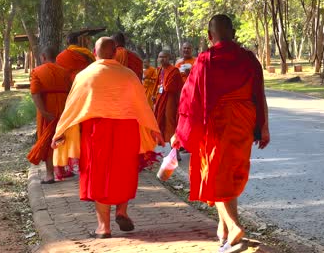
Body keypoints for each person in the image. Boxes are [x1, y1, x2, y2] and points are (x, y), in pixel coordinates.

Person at [171, 14, 270, 252]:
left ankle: (234, 227)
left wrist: (180, 132)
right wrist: (264, 127)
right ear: (233, 33)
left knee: (216, 174)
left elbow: (189, 100)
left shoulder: (206, 59)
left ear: (209, 36)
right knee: (229, 173)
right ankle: (223, 228)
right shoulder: (248, 58)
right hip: (244, 121)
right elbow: (259, 93)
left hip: (216, 124)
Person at [51, 37, 164, 238]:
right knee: (124, 170)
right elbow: (142, 106)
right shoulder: (128, 75)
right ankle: (121, 211)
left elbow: (72, 107)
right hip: (127, 129)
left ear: (94, 53)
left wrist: (59, 131)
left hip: (96, 130)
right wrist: (155, 130)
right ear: (115, 53)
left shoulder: (85, 76)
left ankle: (104, 227)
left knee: (98, 174)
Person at [27, 46, 73, 184]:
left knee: (47, 140)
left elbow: (35, 93)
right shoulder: (65, 72)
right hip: (64, 107)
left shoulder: (37, 71)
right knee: (62, 138)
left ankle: (49, 174)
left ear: (43, 57)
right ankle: (62, 169)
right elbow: (71, 91)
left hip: (48, 107)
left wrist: (44, 112)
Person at [153, 50, 183, 157]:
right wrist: (154, 95)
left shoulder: (174, 70)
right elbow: (158, 84)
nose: (162, 59)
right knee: (162, 123)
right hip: (161, 99)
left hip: (171, 100)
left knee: (171, 124)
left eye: (164, 57)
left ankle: (176, 151)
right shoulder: (160, 69)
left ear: (169, 58)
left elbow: (169, 87)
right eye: (160, 57)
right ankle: (172, 150)